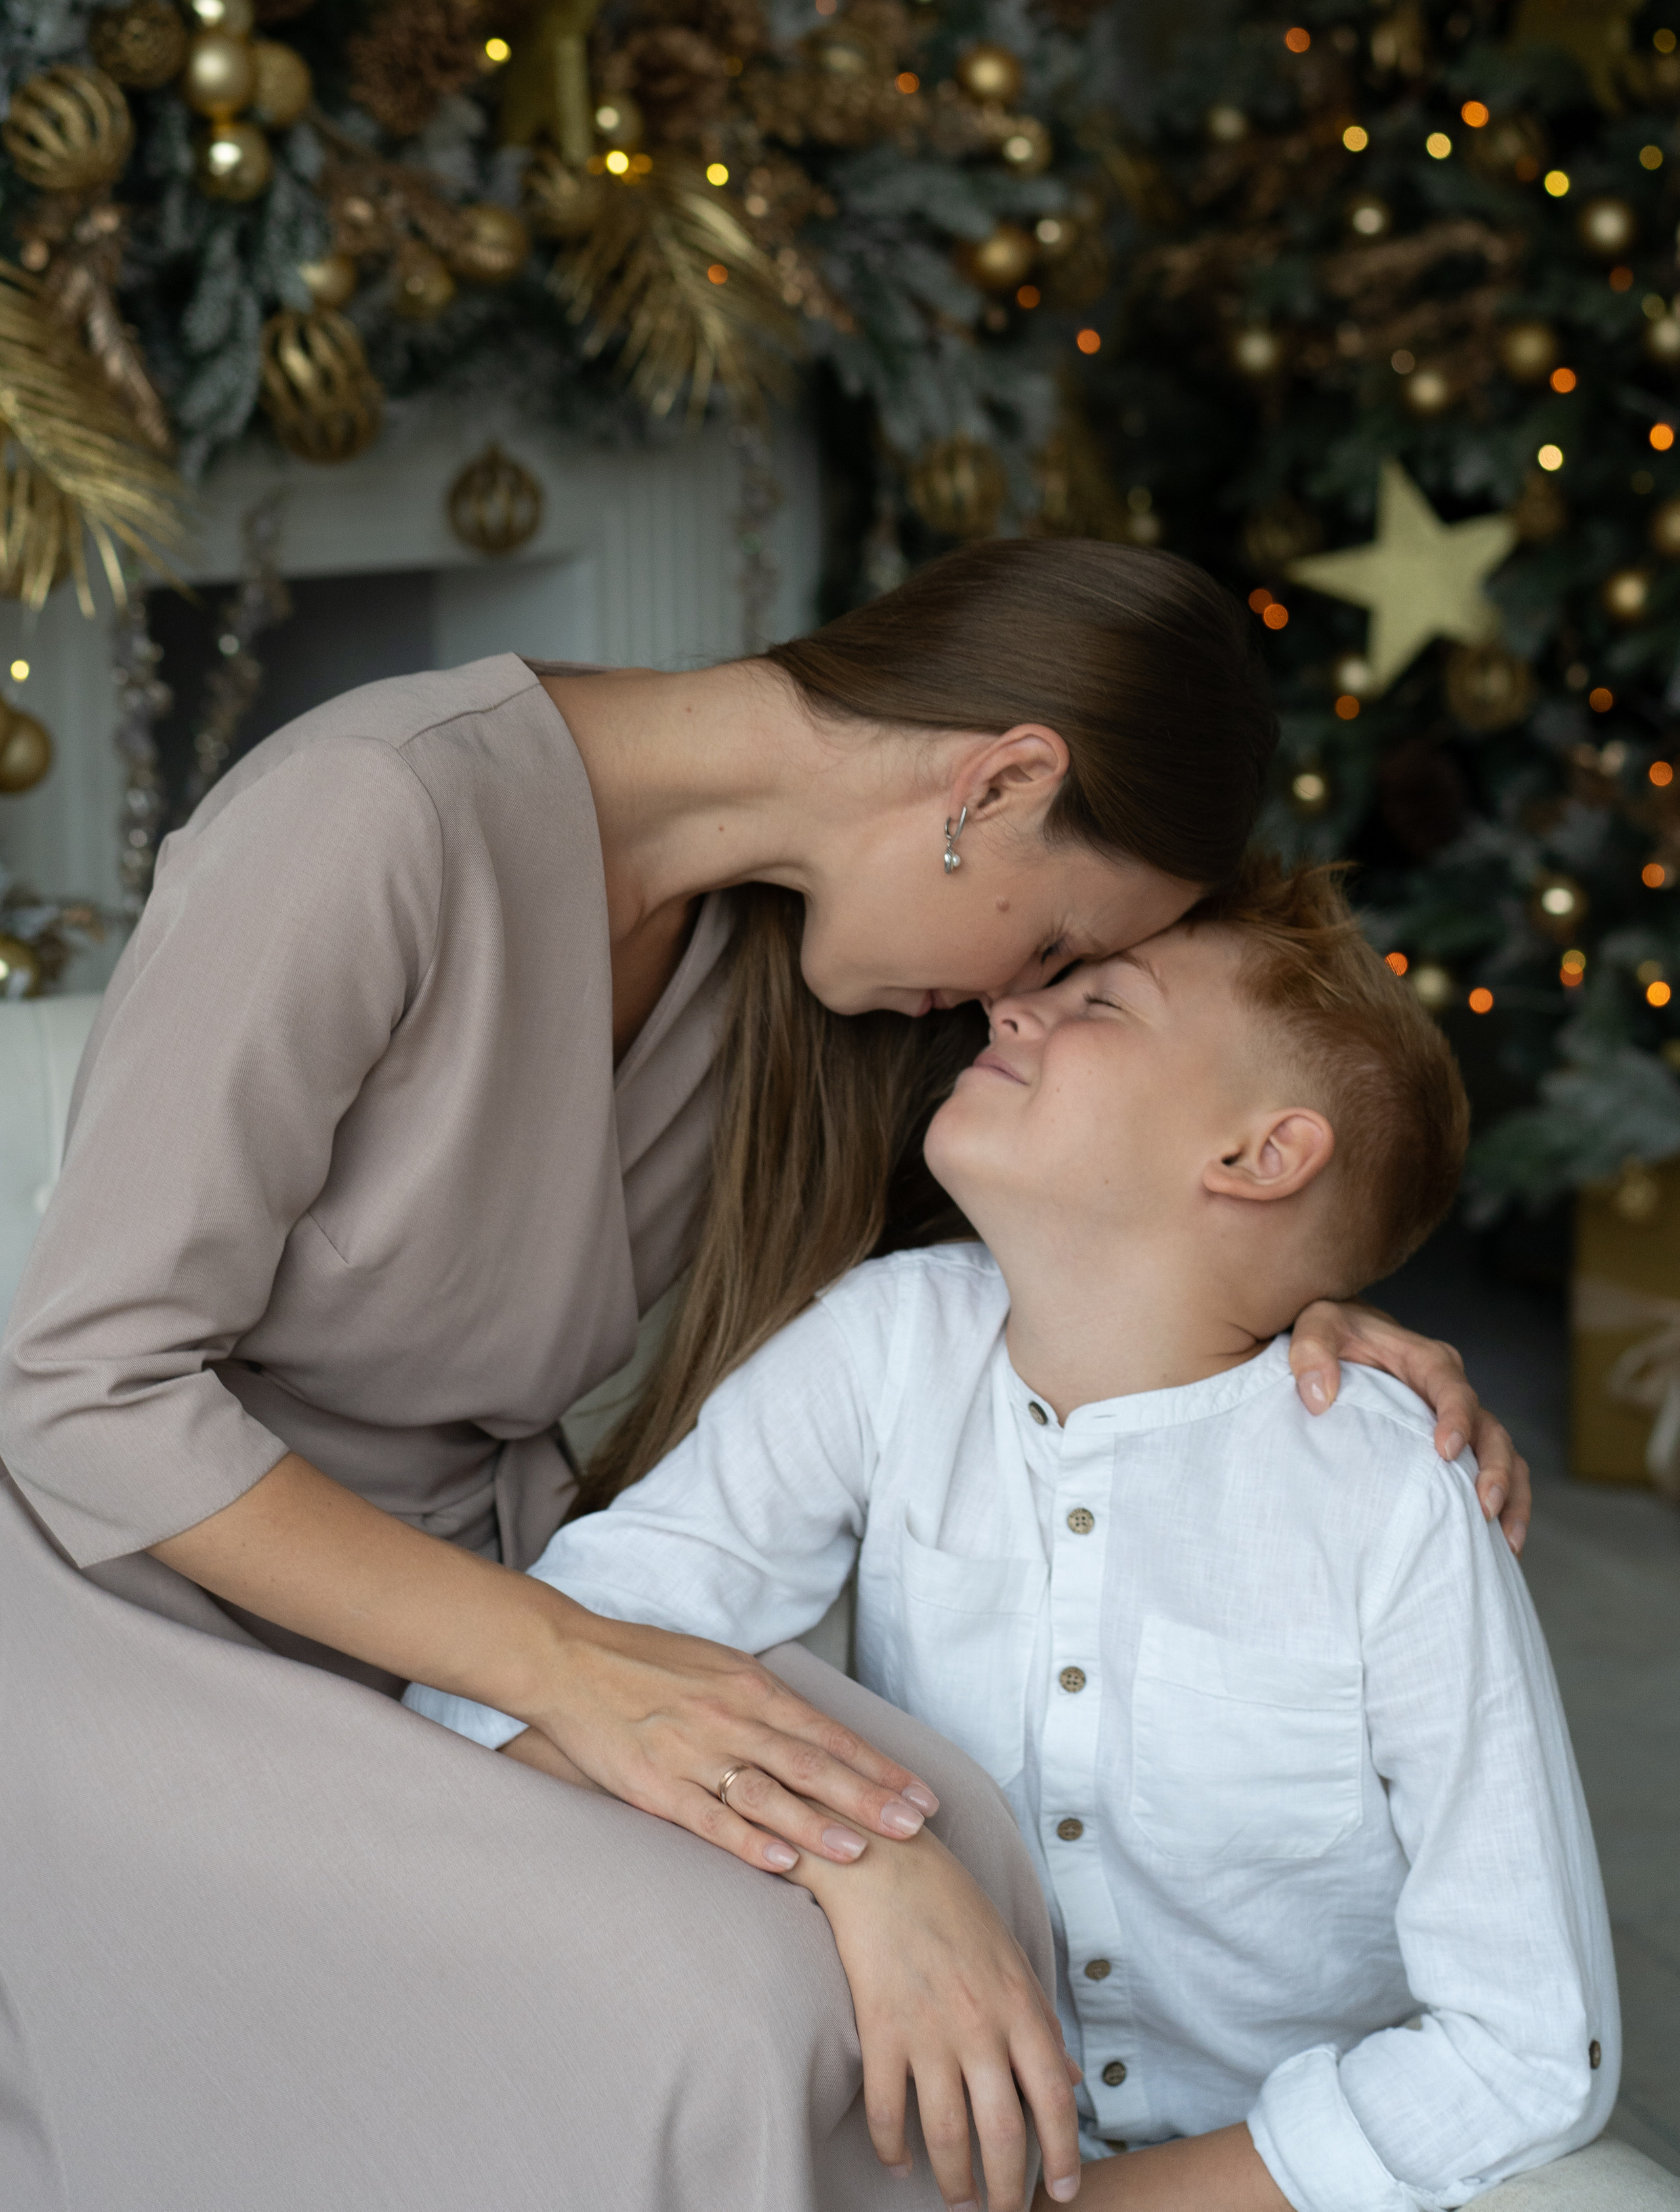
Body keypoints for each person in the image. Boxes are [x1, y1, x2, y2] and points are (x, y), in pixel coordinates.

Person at [0, 542, 1528, 2212]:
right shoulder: (368, 820)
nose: (1020, 999)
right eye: (1065, 940)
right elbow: (83, 1389)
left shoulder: (800, 970)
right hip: (131, 1629)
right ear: (1000, 785)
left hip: (504, 1612)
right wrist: (600, 1688)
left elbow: (1127, 1238)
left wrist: (1303, 1315)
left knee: (951, 1877)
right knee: (739, 2008)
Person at [411, 860, 1614, 2212]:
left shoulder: (1391, 1496)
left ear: (1257, 1156)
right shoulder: (887, 1344)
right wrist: (850, 1856)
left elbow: (1523, 2044)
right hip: (913, 2158)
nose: (1008, 1014)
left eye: (1095, 1001)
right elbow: (515, 1677)